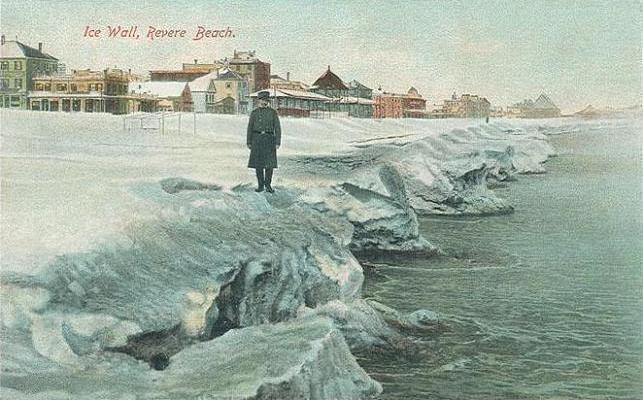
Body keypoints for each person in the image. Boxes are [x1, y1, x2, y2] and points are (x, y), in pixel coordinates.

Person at [247, 91, 281, 193]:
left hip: (269, 140)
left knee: (269, 165)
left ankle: (268, 185)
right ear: (259, 101)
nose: (264, 102)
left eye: (266, 100)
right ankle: (260, 185)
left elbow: (277, 128)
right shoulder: (254, 113)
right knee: (258, 165)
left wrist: (277, 142)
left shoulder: (273, 113)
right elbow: (250, 128)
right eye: (262, 100)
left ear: (268, 101)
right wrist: (249, 141)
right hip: (257, 140)